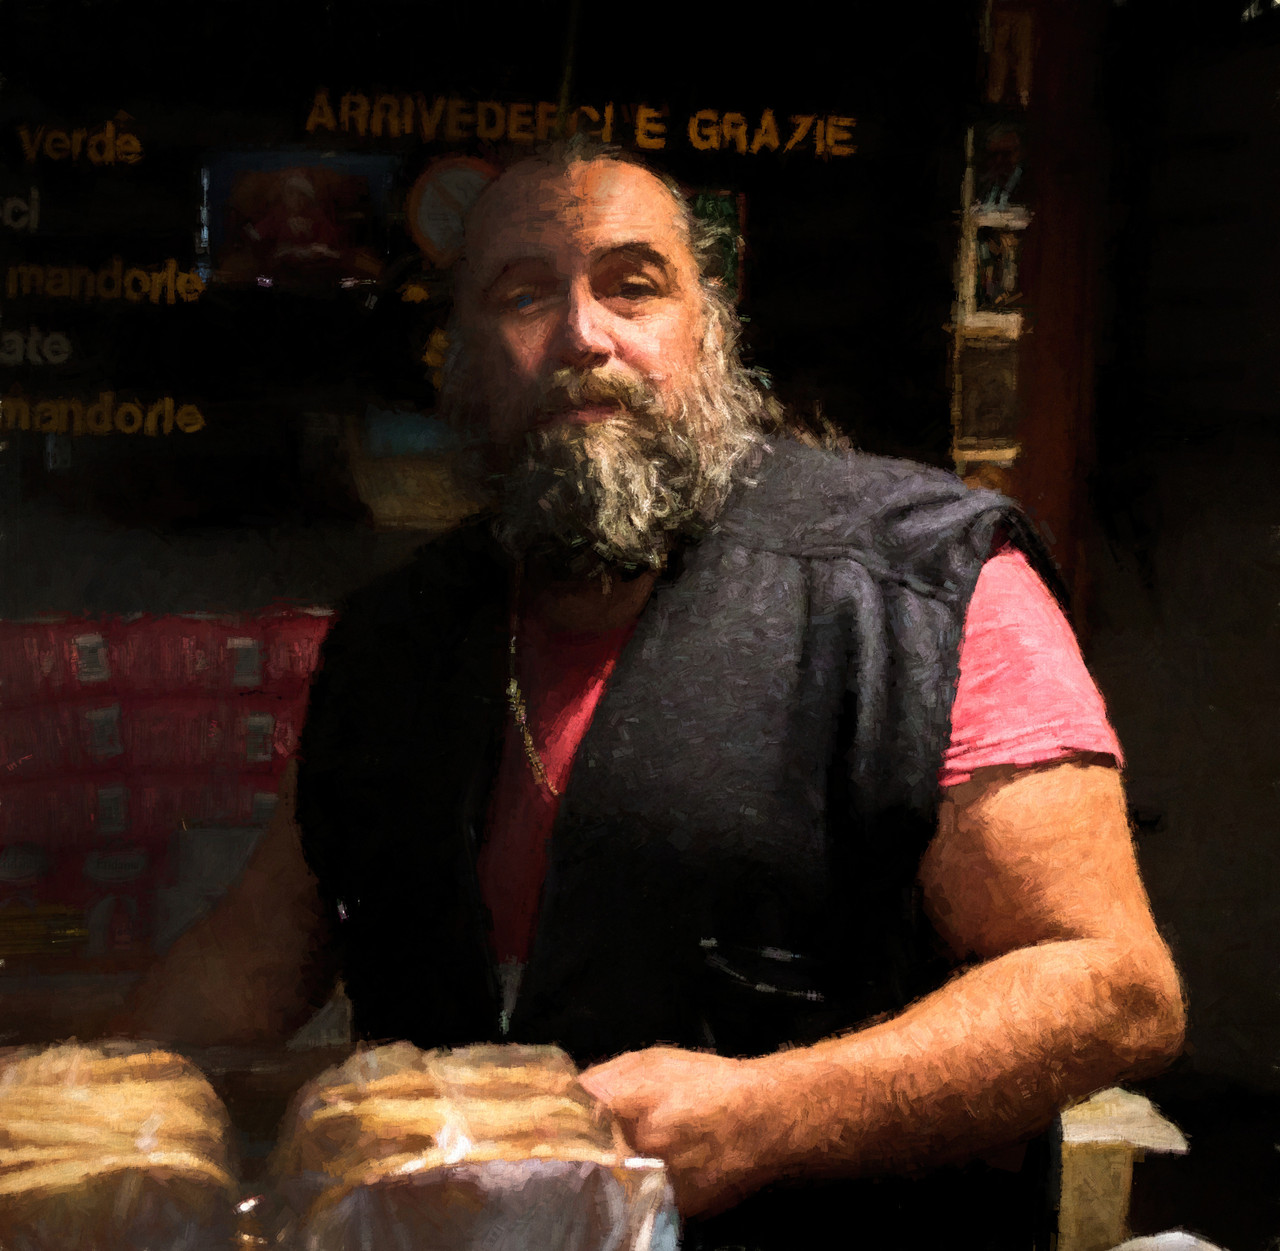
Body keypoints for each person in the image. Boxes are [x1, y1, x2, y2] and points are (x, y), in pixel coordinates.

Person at [118, 142, 1184, 1249]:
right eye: (523, 296)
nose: (583, 335)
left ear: (707, 326)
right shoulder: (396, 638)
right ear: (463, 360)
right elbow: (253, 957)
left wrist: (770, 1114)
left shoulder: (920, 583)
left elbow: (1111, 984)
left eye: (633, 285)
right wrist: (73, 1101)